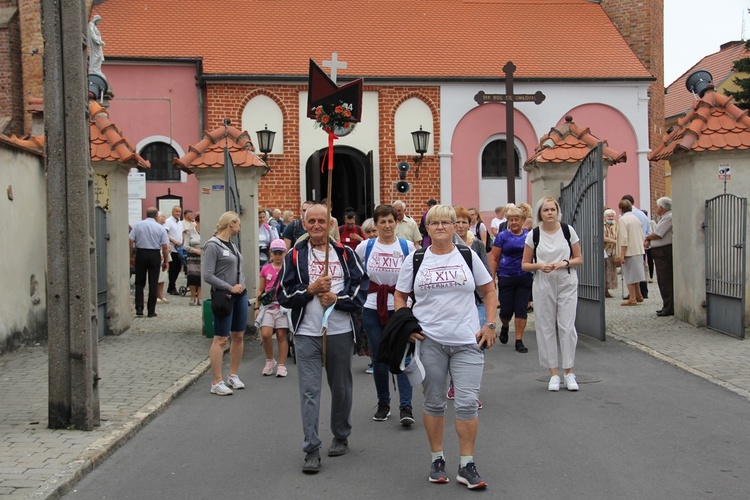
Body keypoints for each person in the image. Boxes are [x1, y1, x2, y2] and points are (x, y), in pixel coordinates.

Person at [394, 204, 498, 490]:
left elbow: (488, 291)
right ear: (426, 228)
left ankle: (467, 464)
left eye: (446, 222)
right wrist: (408, 326)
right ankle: (437, 459)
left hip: (468, 341)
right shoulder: (415, 259)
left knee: (466, 403)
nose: (440, 227)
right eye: (434, 223)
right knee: (435, 402)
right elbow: (400, 296)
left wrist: (489, 324)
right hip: (431, 342)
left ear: (456, 227)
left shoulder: (467, 255)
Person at [278, 204, 369, 474]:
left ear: (330, 224)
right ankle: (311, 448)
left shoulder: (345, 253)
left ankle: (341, 434)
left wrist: (336, 300)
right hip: (307, 333)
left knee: (341, 388)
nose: (317, 225)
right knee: (309, 392)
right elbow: (283, 295)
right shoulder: (294, 256)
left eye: (322, 221)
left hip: (339, 331)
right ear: (304, 224)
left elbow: (360, 290)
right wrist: (310, 290)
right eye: (311, 221)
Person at [355, 204, 416, 425]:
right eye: (382, 222)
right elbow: (355, 273)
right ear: (376, 224)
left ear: (396, 222)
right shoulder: (366, 247)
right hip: (372, 307)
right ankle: (383, 403)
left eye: (391, 221)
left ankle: (406, 406)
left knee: (402, 357)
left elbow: (415, 276)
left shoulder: (407, 247)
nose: (387, 225)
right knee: (379, 358)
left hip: (399, 308)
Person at [521, 196, 583, 392]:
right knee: (546, 326)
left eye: (552, 209)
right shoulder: (534, 234)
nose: (549, 213)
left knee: (566, 326)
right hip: (543, 282)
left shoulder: (567, 230)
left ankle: (569, 371)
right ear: (540, 213)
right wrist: (539, 265)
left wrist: (564, 263)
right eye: (546, 210)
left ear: (557, 212)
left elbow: (579, 258)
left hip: (566, 279)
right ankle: (553, 373)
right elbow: (525, 264)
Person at [203, 211, 248, 396]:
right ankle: (217, 381)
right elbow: (207, 275)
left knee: (238, 335)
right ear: (231, 224)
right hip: (224, 296)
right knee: (221, 338)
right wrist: (229, 287)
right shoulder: (212, 245)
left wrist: (241, 286)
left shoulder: (233, 244)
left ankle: (233, 375)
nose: (240, 227)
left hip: (240, 294)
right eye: (238, 224)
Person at [488, 205, 532, 353]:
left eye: (516, 220)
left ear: (522, 220)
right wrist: (492, 277)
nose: (513, 222)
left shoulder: (528, 236)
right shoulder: (502, 236)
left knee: (521, 309)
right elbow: (494, 257)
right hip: (506, 275)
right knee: (506, 311)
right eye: (511, 220)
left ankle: (519, 340)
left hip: (524, 276)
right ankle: (505, 326)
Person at [254, 239, 290, 377]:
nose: (278, 256)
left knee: (281, 335)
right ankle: (270, 360)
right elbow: (260, 290)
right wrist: (257, 308)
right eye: (275, 253)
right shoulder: (266, 269)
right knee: (266, 334)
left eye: (280, 253)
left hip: (282, 306)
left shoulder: (287, 269)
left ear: (284, 253)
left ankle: (281, 365)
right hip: (268, 306)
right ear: (271, 253)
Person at [129, 207, 170, 317]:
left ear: (146, 214)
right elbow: (165, 246)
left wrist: (131, 256)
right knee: (153, 283)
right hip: (154, 254)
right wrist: (166, 261)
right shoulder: (160, 228)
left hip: (141, 253)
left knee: (139, 282)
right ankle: (151, 310)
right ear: (156, 216)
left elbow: (131, 240)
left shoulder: (138, 225)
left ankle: (139, 307)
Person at [644, 197, 673, 316]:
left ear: (661, 208)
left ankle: (669, 306)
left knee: (665, 279)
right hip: (660, 251)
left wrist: (647, 238)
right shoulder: (664, 217)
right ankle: (666, 305)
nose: (656, 208)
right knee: (662, 279)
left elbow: (658, 234)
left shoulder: (669, 217)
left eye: (657, 206)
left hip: (664, 251)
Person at [617, 199, 646, 306]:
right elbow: (642, 234)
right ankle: (639, 295)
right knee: (636, 275)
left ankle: (632, 298)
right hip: (638, 249)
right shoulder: (635, 218)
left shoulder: (623, 220)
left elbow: (624, 238)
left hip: (629, 250)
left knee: (629, 275)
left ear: (621, 209)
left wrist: (622, 254)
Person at [622, 194, 650, 299]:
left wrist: (621, 253)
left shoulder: (626, 217)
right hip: (641, 245)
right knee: (640, 270)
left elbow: (624, 236)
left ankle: (633, 295)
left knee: (632, 273)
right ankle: (642, 292)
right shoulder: (642, 214)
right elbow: (648, 231)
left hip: (631, 247)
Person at [164, 205, 184, 295]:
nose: (178, 213)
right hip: (172, 248)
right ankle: (172, 287)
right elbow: (165, 234)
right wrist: (174, 241)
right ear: (172, 212)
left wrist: (182, 241)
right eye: (176, 211)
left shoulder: (179, 222)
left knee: (178, 268)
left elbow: (182, 233)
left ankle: (171, 286)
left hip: (179, 248)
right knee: (173, 269)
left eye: (179, 211)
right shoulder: (168, 221)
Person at [184, 211, 202, 306]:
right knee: (192, 276)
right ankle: (192, 296)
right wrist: (195, 250)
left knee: (200, 276)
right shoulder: (190, 231)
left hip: (203, 257)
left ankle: (200, 297)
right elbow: (185, 246)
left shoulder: (207, 231)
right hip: (192, 257)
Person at [156, 211, 170, 304]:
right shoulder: (156, 228)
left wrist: (170, 247)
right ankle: (156, 295)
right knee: (157, 276)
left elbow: (166, 241)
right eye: (162, 216)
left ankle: (161, 295)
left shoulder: (163, 228)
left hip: (165, 252)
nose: (164, 218)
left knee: (163, 277)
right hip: (159, 253)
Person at [603, 208, 618, 298]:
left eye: (612, 216)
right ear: (605, 216)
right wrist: (614, 241)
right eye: (609, 216)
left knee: (611, 271)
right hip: (605, 250)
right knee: (604, 271)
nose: (611, 217)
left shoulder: (615, 224)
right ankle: (604, 289)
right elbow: (603, 237)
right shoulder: (602, 224)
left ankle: (607, 289)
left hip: (612, 251)